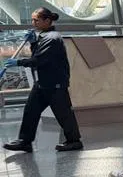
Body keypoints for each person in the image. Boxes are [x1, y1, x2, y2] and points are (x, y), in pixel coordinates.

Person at [3, 8, 82, 153]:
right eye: (32, 20)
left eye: (36, 20)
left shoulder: (52, 38)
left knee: (63, 113)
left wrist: (19, 62)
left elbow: (39, 60)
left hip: (55, 84)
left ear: (47, 21)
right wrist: (33, 43)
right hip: (43, 83)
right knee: (31, 111)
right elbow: (38, 53)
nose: (33, 23)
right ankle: (24, 141)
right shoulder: (44, 36)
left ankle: (74, 141)